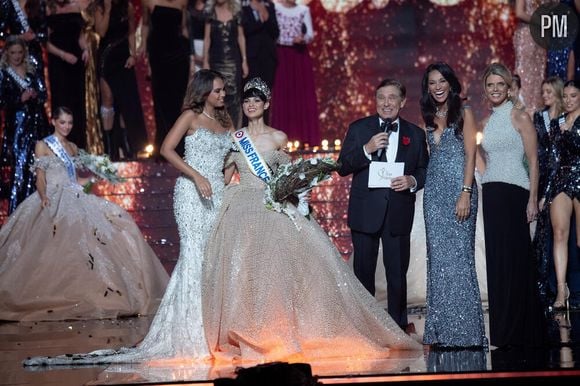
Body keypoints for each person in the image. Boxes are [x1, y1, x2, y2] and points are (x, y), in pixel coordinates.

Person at [202, 77, 421, 363]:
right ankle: (252, 328)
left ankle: (392, 328)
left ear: (266, 104)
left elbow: (288, 176)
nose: (252, 105)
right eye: (247, 100)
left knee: (279, 271)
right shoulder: (236, 139)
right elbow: (227, 174)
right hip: (243, 210)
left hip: (274, 209)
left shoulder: (278, 138)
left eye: (257, 100)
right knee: (245, 271)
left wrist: (293, 193)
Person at [23, 70, 234, 365]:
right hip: (191, 193)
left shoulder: (226, 122)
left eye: (223, 90)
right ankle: (190, 331)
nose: (223, 95)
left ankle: (215, 329)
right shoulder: (190, 117)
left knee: (214, 258)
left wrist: (227, 178)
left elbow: (230, 160)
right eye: (217, 91)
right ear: (203, 93)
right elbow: (167, 149)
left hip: (218, 193)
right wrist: (197, 176)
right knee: (194, 255)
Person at [0, 106, 169, 321]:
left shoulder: (72, 147)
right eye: (63, 122)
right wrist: (43, 196)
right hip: (52, 195)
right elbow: (40, 177)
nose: (67, 127)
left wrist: (92, 180)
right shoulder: (43, 145)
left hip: (73, 195)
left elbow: (76, 180)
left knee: (113, 224)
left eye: (70, 123)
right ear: (53, 121)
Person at [337, 78, 429, 332]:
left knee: (397, 275)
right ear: (375, 101)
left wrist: (411, 180)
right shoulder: (359, 128)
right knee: (363, 273)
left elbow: (424, 170)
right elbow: (343, 166)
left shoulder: (415, 134)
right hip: (366, 210)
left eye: (392, 98)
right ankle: (367, 328)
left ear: (402, 102)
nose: (386, 103)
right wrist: (367, 149)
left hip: (398, 209)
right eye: (381, 98)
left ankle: (398, 327)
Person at [420, 62, 487, 349]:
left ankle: (467, 333)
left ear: (451, 83)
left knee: (460, 259)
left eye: (441, 81)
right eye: (432, 82)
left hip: (459, 189)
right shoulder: (427, 115)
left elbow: (471, 155)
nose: (437, 87)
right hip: (433, 195)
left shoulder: (465, 113)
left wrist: (466, 191)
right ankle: (442, 333)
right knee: (439, 264)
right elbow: (429, 157)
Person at [479, 62, 546, 349]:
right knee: (497, 263)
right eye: (490, 85)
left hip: (516, 193)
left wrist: (532, 198)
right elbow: (486, 161)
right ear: (486, 89)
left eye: (499, 85)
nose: (495, 89)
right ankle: (503, 333)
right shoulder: (486, 122)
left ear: (509, 88)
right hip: (492, 193)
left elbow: (533, 160)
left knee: (517, 262)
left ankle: (523, 330)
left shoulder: (519, 117)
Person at [542, 79, 580, 311]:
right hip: (562, 178)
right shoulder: (557, 123)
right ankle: (560, 288)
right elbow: (552, 160)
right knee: (559, 233)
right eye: (565, 96)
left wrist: (572, 133)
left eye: (573, 96)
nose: (568, 100)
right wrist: (546, 192)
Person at [0, 36, 50, 214]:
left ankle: (42, 209)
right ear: (7, 53)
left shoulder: (31, 70)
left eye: (20, 52)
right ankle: (19, 213)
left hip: (36, 124)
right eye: (13, 52)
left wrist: (36, 95)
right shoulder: (4, 73)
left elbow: (44, 94)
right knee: (21, 168)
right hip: (18, 128)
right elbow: (2, 101)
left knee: (40, 166)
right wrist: (19, 99)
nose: (16, 56)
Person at [95, 0, 148, 159]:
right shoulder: (100, 6)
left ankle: (129, 146)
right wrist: (108, 8)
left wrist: (133, 55)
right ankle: (110, 147)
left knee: (127, 102)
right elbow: (101, 32)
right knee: (108, 100)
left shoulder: (128, 6)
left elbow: (131, 32)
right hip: (107, 57)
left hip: (124, 57)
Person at [141, 0, 190, 157]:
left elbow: (184, 30)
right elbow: (146, 26)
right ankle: (162, 147)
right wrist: (143, 50)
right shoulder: (149, 1)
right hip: (158, 54)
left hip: (178, 55)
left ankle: (179, 147)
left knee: (177, 101)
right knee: (161, 101)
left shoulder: (182, 2)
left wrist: (193, 57)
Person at [533, 76, 565, 307]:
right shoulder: (538, 117)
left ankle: (562, 287)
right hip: (542, 176)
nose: (545, 96)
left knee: (562, 233)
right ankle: (542, 286)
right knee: (541, 235)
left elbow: (560, 155)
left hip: (563, 179)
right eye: (542, 92)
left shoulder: (567, 119)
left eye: (548, 92)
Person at [270, 0, 319, 146]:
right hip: (281, 55)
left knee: (301, 94)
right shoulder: (275, 7)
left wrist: (303, 39)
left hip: (298, 55)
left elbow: (310, 34)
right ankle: (282, 137)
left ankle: (304, 137)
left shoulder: (303, 10)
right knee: (283, 93)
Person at [46, 0, 88, 149]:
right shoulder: (48, 8)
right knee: (61, 100)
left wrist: (86, 50)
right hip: (58, 62)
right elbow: (46, 42)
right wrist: (63, 55)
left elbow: (81, 36)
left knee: (77, 102)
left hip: (76, 61)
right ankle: (62, 146)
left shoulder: (77, 5)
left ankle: (78, 146)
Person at [203, 0, 249, 129]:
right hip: (216, 61)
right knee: (216, 97)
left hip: (233, 62)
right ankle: (219, 133)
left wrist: (244, 60)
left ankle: (236, 136)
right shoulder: (209, 12)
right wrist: (205, 60)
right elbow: (207, 38)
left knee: (234, 99)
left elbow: (241, 36)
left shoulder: (236, 12)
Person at [513, 0, 547, 115]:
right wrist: (541, 21)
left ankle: (537, 115)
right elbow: (519, 12)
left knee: (539, 76)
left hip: (541, 37)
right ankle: (524, 115)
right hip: (527, 35)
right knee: (525, 75)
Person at [0, 0, 48, 78]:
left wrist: (34, 36)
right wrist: (19, 37)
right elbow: (1, 33)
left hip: (34, 55)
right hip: (14, 54)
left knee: (38, 88)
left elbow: (44, 34)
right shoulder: (7, 3)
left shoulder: (39, 3)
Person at [241, 0, 278, 91]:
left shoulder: (269, 5)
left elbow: (276, 32)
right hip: (251, 57)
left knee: (266, 91)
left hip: (268, 57)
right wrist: (259, 22)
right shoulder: (242, 5)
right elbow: (244, 31)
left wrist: (266, 16)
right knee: (251, 91)